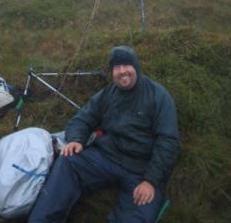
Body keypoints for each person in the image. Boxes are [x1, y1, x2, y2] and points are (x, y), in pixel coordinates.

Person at [29, 46, 180, 223]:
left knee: (138, 215)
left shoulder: (158, 95)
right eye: (117, 67)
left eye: (126, 65)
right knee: (68, 162)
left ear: (136, 67)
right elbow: (83, 119)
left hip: (141, 169)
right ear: (112, 72)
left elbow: (168, 141)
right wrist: (76, 139)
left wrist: (151, 181)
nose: (122, 71)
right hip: (105, 158)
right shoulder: (107, 94)